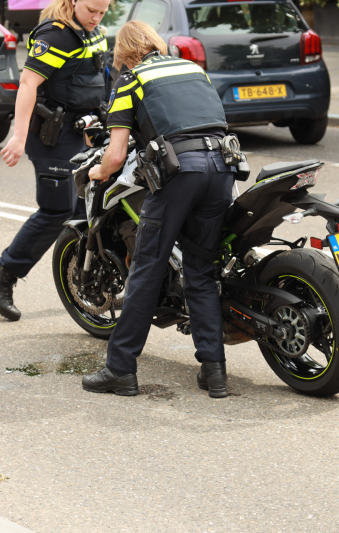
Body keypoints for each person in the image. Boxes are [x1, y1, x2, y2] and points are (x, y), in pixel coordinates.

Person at [81, 21, 236, 399]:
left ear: (124, 53)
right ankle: (214, 374)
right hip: (223, 168)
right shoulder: (191, 68)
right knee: (200, 270)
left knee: (147, 269)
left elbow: (116, 155)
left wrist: (97, 171)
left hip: (181, 174)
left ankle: (119, 370)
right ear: (154, 42)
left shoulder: (131, 80)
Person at [0, 0, 110, 321]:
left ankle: (86, 284)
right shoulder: (56, 36)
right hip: (51, 135)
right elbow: (28, 84)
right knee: (58, 209)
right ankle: (1, 277)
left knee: (83, 211)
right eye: (91, 9)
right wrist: (18, 137)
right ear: (74, 1)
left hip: (80, 130)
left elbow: (94, 84)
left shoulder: (95, 33)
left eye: (103, 11)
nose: (97, 17)